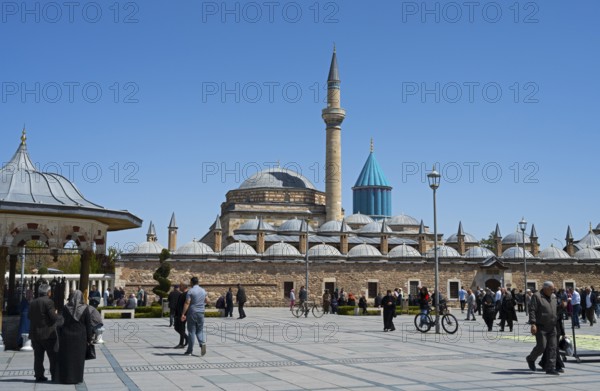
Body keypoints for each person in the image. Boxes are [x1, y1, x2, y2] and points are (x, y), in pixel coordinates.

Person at [57, 290, 93, 384]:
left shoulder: (66, 308)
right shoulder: (85, 308)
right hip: (80, 337)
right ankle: (77, 378)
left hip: (66, 336)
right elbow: (88, 324)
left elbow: (61, 322)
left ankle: (67, 378)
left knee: (67, 358)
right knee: (78, 359)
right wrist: (89, 339)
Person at [526, 281, 560, 375]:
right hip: (541, 326)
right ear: (545, 288)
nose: (553, 290)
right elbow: (532, 309)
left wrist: (562, 306)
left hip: (552, 326)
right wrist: (533, 323)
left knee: (553, 347)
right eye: (551, 289)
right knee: (542, 346)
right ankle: (531, 358)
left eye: (553, 289)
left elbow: (554, 309)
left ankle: (550, 368)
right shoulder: (537, 296)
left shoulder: (553, 296)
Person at [28, 283, 59, 383]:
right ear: (48, 292)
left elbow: (29, 316)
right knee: (53, 356)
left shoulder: (33, 302)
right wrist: (56, 313)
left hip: (35, 334)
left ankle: (39, 375)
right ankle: (55, 375)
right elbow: (53, 318)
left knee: (38, 357)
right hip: (48, 334)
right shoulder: (49, 302)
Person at [181, 277, 208, 356]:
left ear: (192, 283)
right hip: (201, 313)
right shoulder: (203, 290)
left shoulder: (191, 291)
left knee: (191, 332)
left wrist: (183, 314)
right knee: (199, 330)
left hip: (192, 312)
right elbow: (207, 300)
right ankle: (202, 343)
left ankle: (189, 351)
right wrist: (202, 304)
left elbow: (187, 303)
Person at [174, 283, 188, 348]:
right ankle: (186, 338)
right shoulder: (181, 294)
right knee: (176, 327)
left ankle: (181, 343)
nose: (179, 287)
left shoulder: (187, 294)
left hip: (183, 315)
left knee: (182, 328)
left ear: (183, 286)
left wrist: (184, 314)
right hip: (178, 314)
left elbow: (187, 304)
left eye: (180, 286)